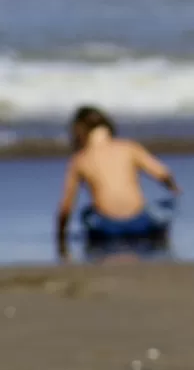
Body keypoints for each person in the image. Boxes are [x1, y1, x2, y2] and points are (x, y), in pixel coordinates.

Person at [55, 106, 181, 260]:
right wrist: (173, 188)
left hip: (107, 227)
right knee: (163, 206)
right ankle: (158, 238)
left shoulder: (80, 159)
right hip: (141, 223)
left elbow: (66, 206)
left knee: (86, 213)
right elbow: (163, 173)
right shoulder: (129, 148)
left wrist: (60, 238)